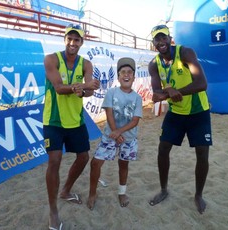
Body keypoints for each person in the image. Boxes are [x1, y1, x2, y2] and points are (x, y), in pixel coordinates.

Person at [148, 25, 212, 214]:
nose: (161, 42)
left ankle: (198, 195)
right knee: (163, 149)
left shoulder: (185, 52)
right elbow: (157, 93)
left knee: (202, 153)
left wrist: (177, 92)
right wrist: (161, 95)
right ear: (153, 43)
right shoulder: (154, 64)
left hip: (198, 112)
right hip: (176, 113)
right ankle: (163, 190)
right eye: (157, 39)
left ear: (170, 38)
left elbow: (202, 83)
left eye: (164, 38)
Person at [43, 23, 100, 230]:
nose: (73, 43)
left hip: (76, 120)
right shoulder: (51, 59)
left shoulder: (86, 64)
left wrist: (83, 91)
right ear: (64, 39)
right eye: (70, 38)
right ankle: (53, 210)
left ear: (82, 42)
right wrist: (84, 86)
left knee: (84, 157)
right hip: (54, 120)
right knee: (54, 160)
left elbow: (90, 91)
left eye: (77, 40)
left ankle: (65, 190)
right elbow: (58, 88)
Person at [87, 57, 142, 210]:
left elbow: (135, 120)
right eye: (123, 72)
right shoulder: (111, 92)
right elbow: (109, 113)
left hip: (128, 138)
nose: (126, 75)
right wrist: (115, 133)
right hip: (110, 136)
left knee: (123, 165)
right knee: (95, 163)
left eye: (129, 72)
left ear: (133, 76)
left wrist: (119, 132)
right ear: (118, 76)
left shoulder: (137, 98)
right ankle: (92, 193)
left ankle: (121, 192)